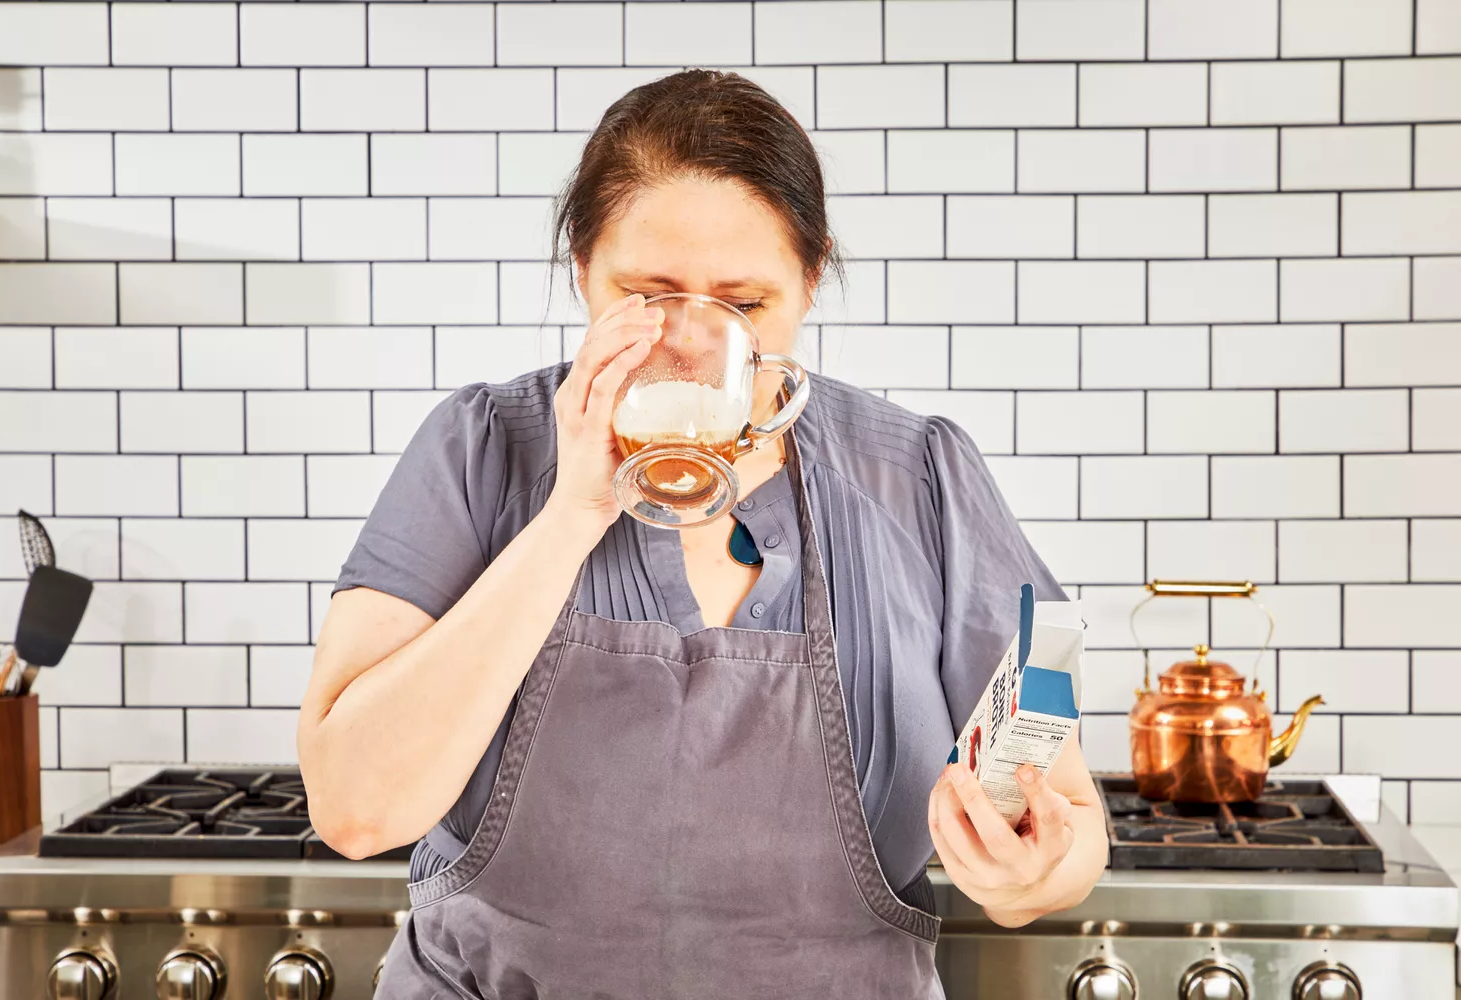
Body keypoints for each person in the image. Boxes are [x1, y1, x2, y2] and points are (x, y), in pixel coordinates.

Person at [299, 70, 1106, 1000]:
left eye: (745, 304)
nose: (690, 342)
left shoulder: (919, 477)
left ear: (810, 279)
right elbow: (356, 811)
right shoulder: (480, 452)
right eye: (646, 295)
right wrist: (574, 513)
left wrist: (1032, 871)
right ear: (581, 272)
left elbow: (1071, 819)